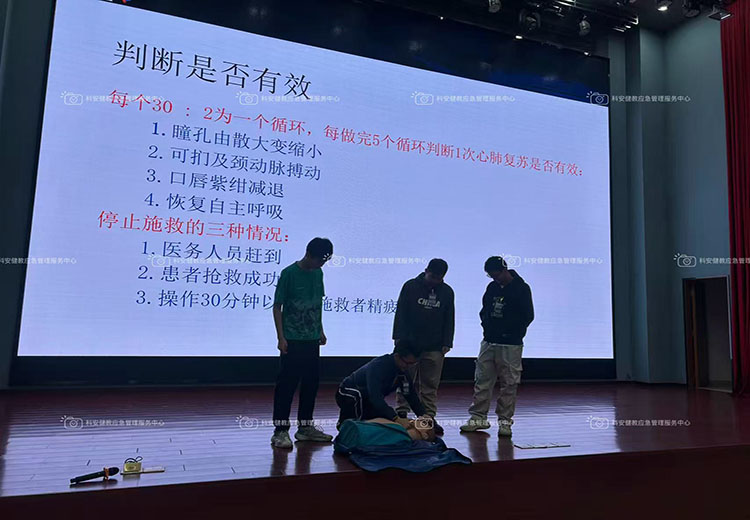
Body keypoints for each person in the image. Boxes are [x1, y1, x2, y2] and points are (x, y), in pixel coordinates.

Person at [270, 237, 335, 449]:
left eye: (325, 261)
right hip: (292, 339)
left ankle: (305, 427)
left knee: (311, 384)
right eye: (320, 260)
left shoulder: (318, 273)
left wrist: (321, 330)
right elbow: (277, 307)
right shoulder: (289, 273)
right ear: (309, 254)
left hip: (311, 338)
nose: (322, 264)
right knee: (287, 386)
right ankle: (280, 431)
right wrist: (281, 337)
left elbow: (317, 304)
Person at [461, 256, 534, 437]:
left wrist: (511, 332)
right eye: (491, 276)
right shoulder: (492, 287)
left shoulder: (522, 288)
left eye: (496, 275)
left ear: (504, 270)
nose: (495, 279)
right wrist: (487, 327)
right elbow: (484, 310)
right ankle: (478, 418)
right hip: (489, 341)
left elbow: (528, 316)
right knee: (482, 381)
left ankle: (505, 422)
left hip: (510, 344)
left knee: (509, 384)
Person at [392, 258, 455, 435]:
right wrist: (398, 338)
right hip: (409, 345)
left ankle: (428, 417)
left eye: (439, 278)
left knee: (430, 384)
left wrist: (447, 342)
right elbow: (401, 312)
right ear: (426, 270)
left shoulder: (447, 292)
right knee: (405, 380)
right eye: (432, 276)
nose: (434, 281)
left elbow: (449, 317)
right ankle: (401, 412)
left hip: (435, 346)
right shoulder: (410, 286)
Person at [336, 339, 433, 434]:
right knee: (361, 408)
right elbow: (375, 397)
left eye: (413, 364)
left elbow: (411, 396)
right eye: (407, 363)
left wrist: (424, 417)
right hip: (347, 393)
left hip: (368, 398)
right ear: (397, 356)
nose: (409, 367)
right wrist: (396, 418)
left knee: (381, 420)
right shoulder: (378, 366)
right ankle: (345, 425)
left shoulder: (403, 372)